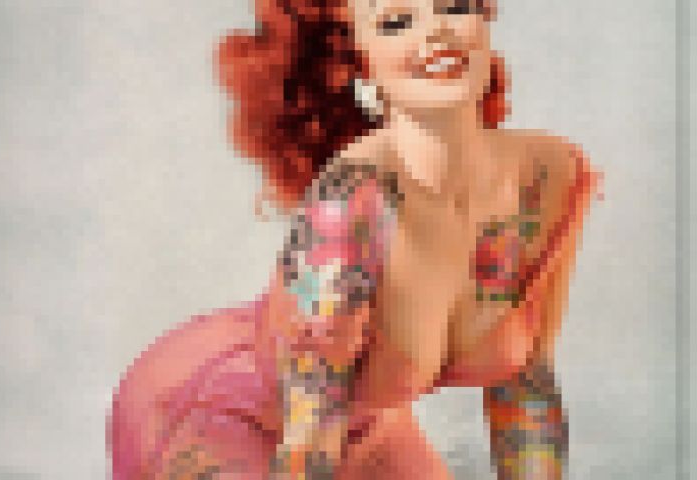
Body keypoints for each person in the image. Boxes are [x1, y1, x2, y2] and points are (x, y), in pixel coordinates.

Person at [108, 0, 599, 478]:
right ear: (354, 60)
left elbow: (525, 384)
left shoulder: (550, 176)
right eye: (396, 21)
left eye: (454, 6)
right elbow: (309, 439)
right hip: (232, 415)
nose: (437, 31)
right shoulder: (350, 202)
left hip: (362, 424)